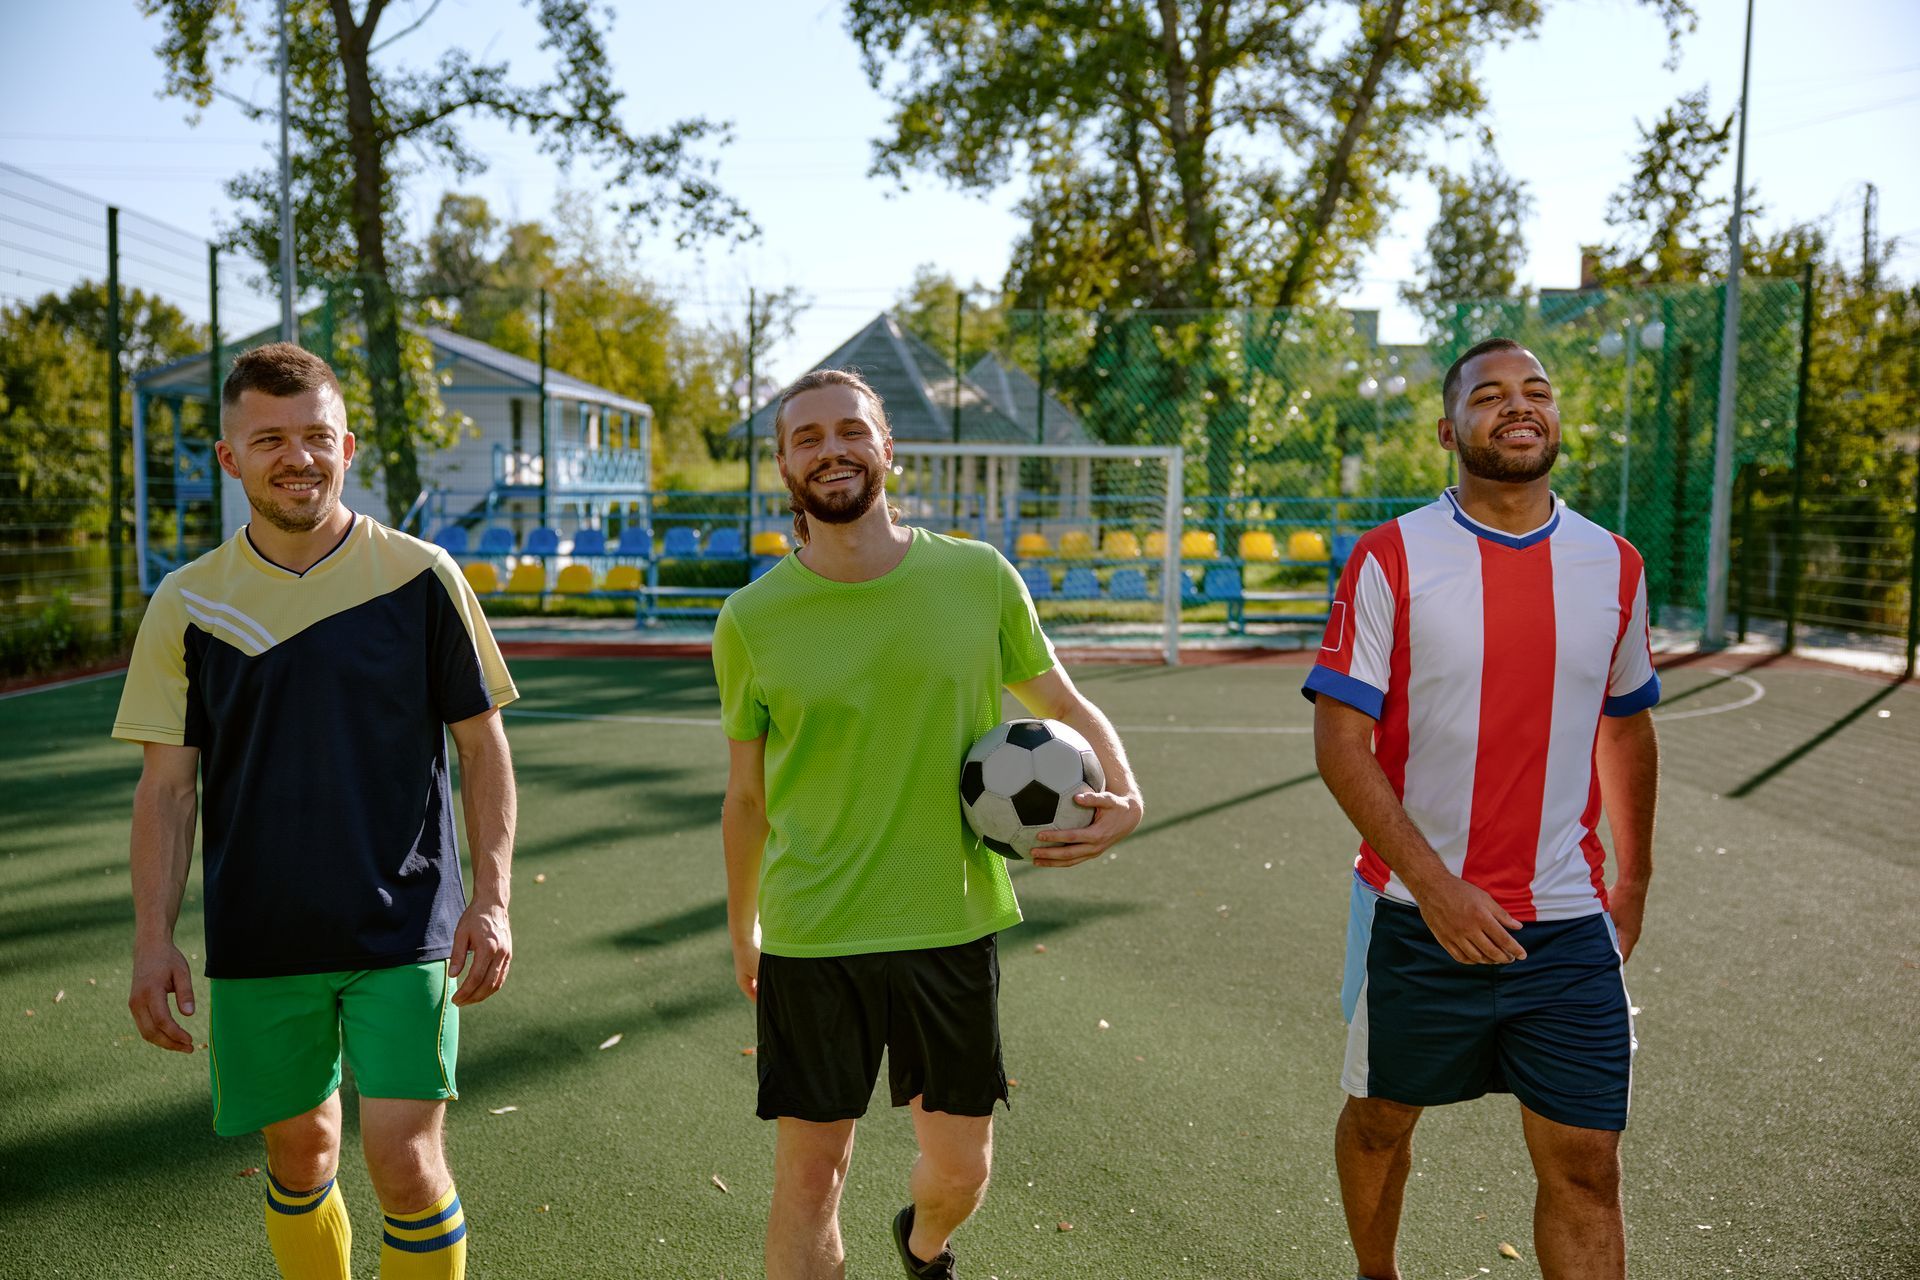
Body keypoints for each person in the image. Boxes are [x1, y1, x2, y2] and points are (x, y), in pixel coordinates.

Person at [714, 368, 1144, 1280]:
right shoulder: (750, 619)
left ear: (886, 448)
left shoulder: (977, 578)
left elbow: (1062, 699)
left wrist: (1128, 793)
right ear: (783, 465)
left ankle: (924, 1243)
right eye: (806, 438)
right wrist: (744, 930)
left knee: (960, 1172)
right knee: (809, 1179)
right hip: (813, 929)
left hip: (947, 919)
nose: (831, 450)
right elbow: (746, 799)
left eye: (849, 431)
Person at [113, 342, 519, 1280]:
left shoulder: (422, 576)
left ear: (347, 444)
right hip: (263, 933)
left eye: (316, 437)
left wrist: (489, 899)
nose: (298, 457)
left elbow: (482, 747)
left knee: (406, 1160)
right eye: (270, 441)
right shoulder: (188, 603)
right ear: (230, 458)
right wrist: (151, 938)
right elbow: (167, 790)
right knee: (302, 1157)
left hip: (408, 924)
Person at [1305, 337, 1661, 1280]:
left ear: (1555, 418)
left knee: (1588, 1167)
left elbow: (1624, 730)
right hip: (1418, 919)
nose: (1517, 405)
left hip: (1567, 922)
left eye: (1535, 391)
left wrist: (1636, 878)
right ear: (1449, 429)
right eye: (1489, 394)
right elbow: (1341, 743)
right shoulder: (1392, 557)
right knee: (1380, 1126)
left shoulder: (1614, 565)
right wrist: (1438, 887)